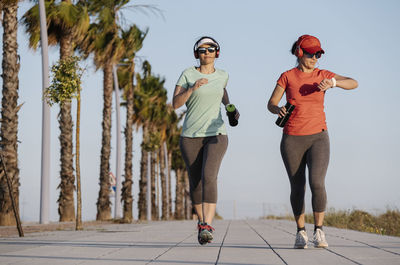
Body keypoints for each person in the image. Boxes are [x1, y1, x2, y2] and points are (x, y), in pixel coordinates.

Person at [267, 34, 358, 249]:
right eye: (311, 53)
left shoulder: (323, 75)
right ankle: (300, 232)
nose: (315, 57)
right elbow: (271, 102)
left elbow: (354, 83)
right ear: (299, 52)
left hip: (319, 136)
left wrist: (334, 83)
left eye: (318, 54)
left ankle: (319, 231)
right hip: (292, 138)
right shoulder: (287, 76)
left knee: (317, 183)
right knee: (298, 186)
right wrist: (277, 109)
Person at [172, 36, 239, 245]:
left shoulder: (223, 75)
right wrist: (192, 89)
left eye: (211, 49)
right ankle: (202, 224)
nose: (207, 53)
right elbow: (175, 104)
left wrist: (230, 107)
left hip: (216, 133)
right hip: (190, 136)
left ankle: (208, 224)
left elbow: (222, 91)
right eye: (202, 50)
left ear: (217, 53)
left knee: (209, 176)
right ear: (196, 53)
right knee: (196, 181)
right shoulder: (187, 74)